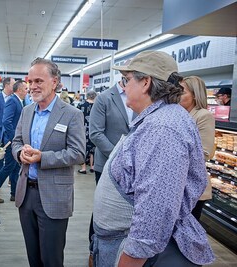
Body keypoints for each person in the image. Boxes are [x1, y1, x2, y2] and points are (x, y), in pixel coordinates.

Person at [92, 51, 214, 267]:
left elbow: (156, 205)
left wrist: (132, 258)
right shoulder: (158, 119)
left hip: (143, 256)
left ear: (146, 82)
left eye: (127, 80)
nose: (124, 87)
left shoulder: (162, 128)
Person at [12, 58, 86, 267]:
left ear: (54, 82)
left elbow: (78, 153)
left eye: (39, 81)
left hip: (54, 197)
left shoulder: (72, 114)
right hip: (26, 195)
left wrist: (42, 157)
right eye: (30, 81)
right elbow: (16, 141)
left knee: (52, 259)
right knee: (33, 258)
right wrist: (20, 154)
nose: (33, 86)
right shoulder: (27, 111)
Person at [87, 78, 134, 266]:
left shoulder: (144, 97)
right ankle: (94, 250)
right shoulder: (105, 98)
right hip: (107, 165)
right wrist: (118, 156)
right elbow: (96, 133)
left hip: (134, 167)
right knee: (102, 209)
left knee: (126, 210)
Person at [0, 80, 27, 203]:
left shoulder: (18, 101)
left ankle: (14, 193)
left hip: (12, 140)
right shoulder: (13, 101)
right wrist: (15, 138)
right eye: (25, 89)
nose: (27, 91)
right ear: (19, 90)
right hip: (10, 141)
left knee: (14, 167)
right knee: (9, 166)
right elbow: (6, 121)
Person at [180, 76, 215, 221]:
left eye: (182, 92)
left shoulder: (203, 116)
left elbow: (204, 152)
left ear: (194, 94)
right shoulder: (181, 114)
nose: (178, 95)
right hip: (180, 185)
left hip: (193, 187)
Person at [77, 89, 97, 174]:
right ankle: (93, 167)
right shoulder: (97, 106)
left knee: (83, 148)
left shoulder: (81, 105)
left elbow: (76, 118)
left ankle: (83, 168)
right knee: (93, 149)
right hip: (94, 129)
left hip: (83, 129)